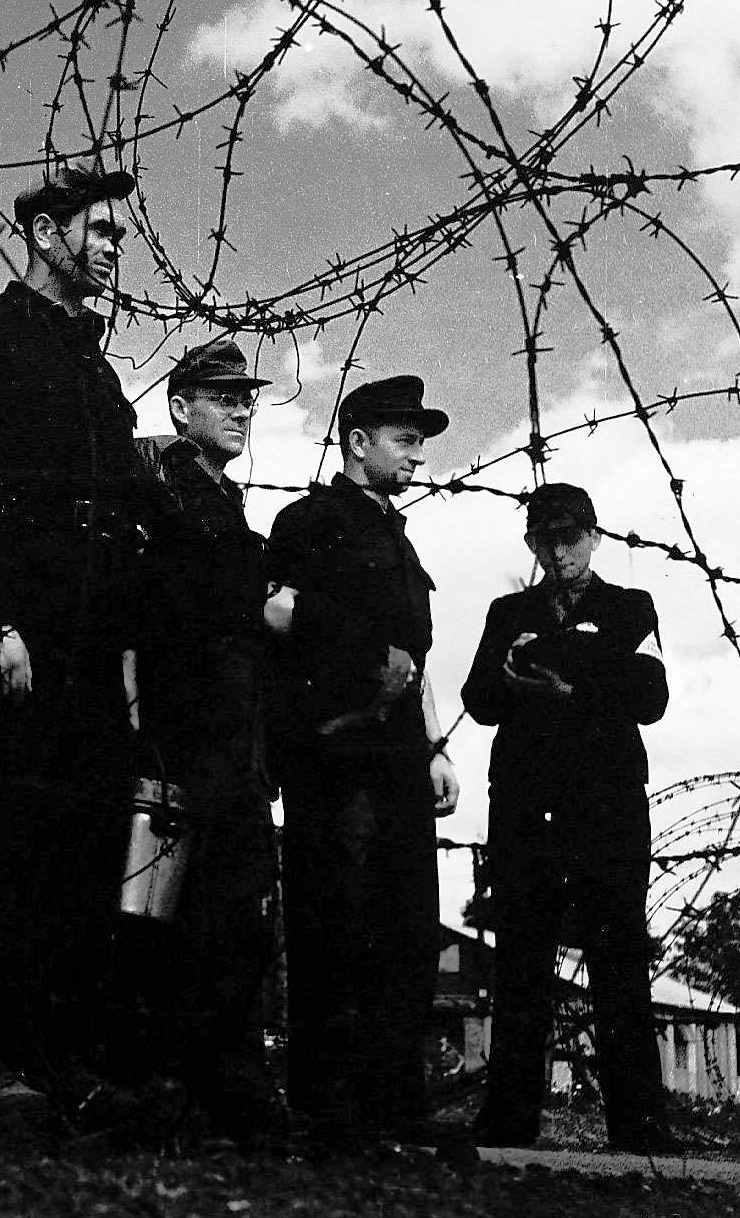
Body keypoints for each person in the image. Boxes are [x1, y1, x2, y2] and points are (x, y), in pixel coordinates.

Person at [0, 156, 144, 1108]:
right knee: (2, 832)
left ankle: (58, 1051)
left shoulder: (92, 364)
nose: (114, 247)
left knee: (84, 836)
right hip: (20, 628)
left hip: (94, 637)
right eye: (99, 231)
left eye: (117, 234)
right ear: (47, 236)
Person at [264, 375, 459, 1139]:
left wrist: (437, 746)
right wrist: (362, 652)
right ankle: (328, 1103)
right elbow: (278, 612)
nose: (417, 456)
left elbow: (415, 656)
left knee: (406, 929)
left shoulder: (397, 537)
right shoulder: (310, 520)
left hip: (400, 756)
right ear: (357, 441)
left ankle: (393, 1103)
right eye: (405, 440)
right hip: (336, 752)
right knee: (334, 926)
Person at [461, 483, 672, 1152]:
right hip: (527, 808)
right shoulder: (509, 610)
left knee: (619, 964)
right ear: (531, 543)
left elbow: (651, 693)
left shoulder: (630, 606)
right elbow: (481, 696)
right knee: (521, 965)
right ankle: (509, 1123)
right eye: (547, 538)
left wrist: (570, 685)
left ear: (595, 536)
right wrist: (534, 669)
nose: (561, 550)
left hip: (607, 809)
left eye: (572, 535)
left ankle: (639, 1129)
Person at [126, 337, 276, 1139]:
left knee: (228, 921)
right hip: (190, 733)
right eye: (223, 397)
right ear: (181, 406)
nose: (241, 409)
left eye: (246, 398)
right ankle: (193, 1091)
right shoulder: (167, 493)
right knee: (195, 923)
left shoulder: (218, 496)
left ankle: (208, 1090)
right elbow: (171, 614)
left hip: (232, 735)